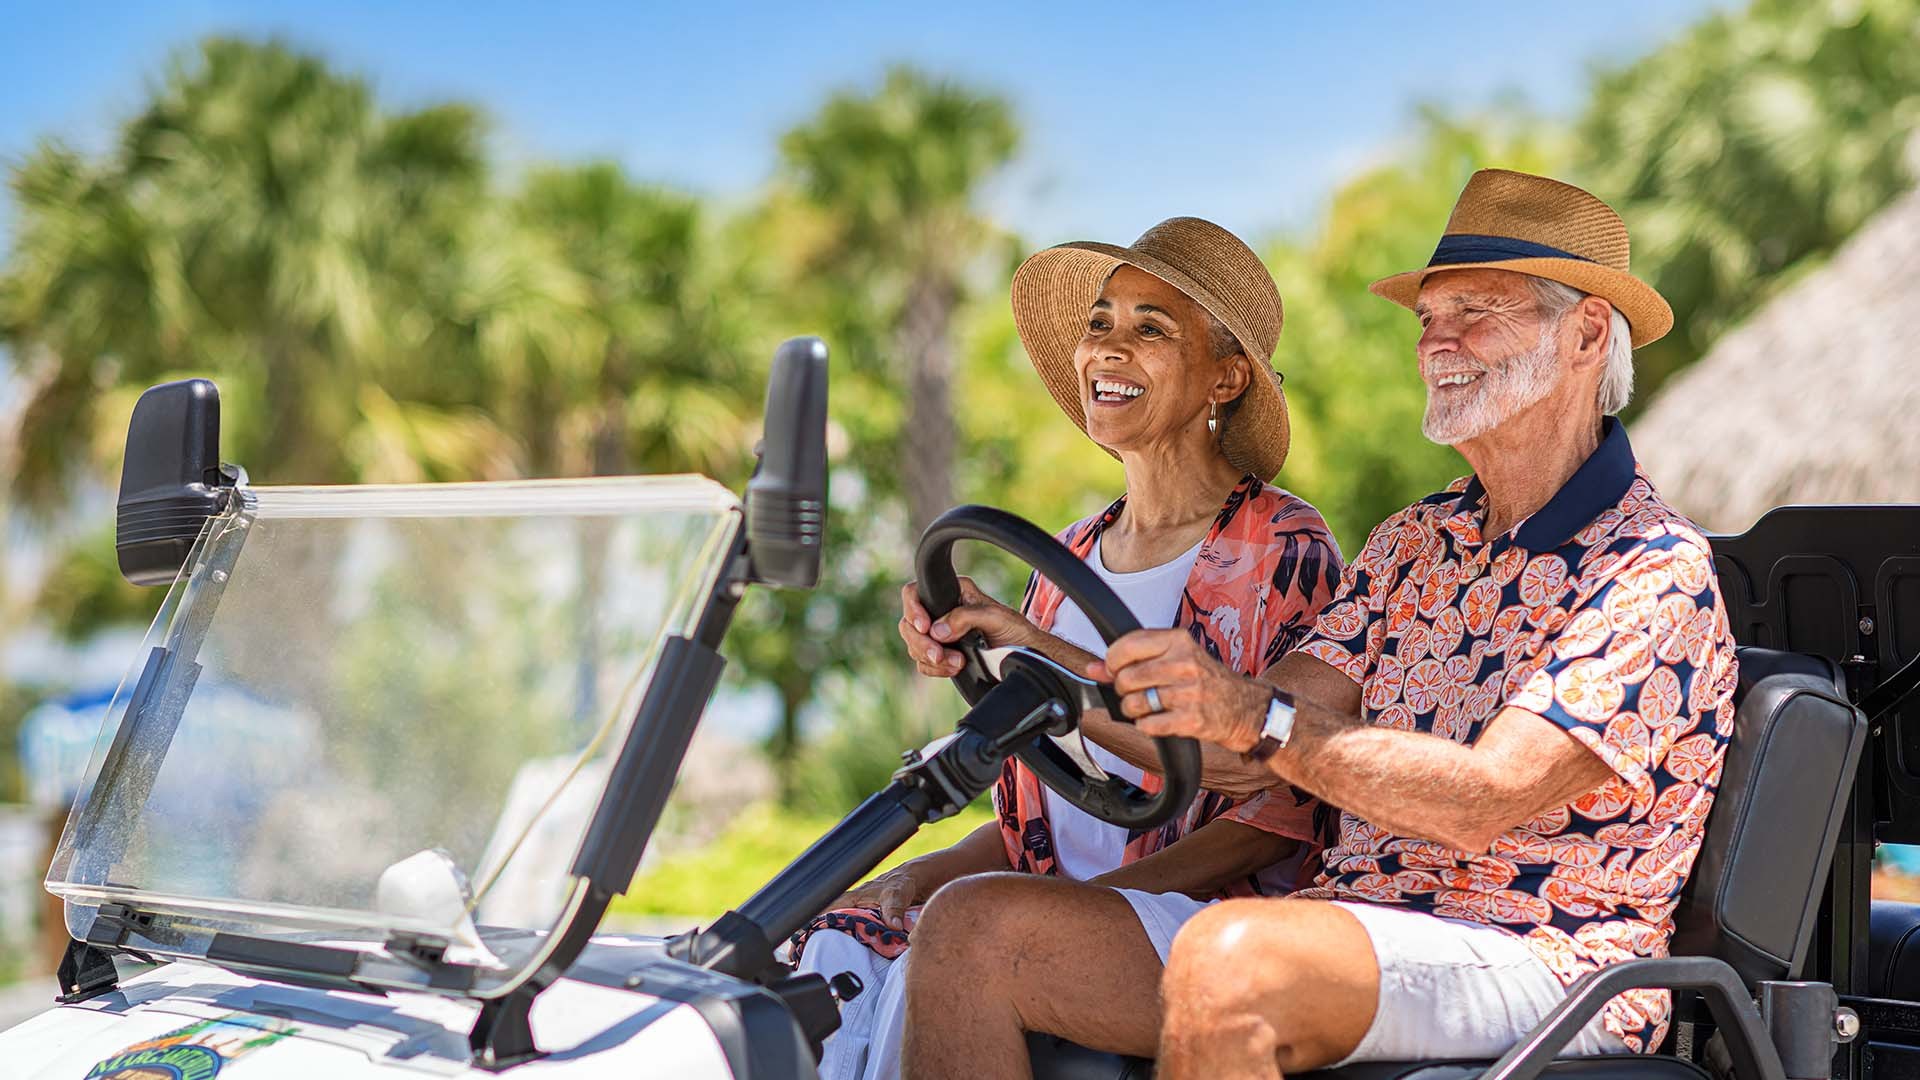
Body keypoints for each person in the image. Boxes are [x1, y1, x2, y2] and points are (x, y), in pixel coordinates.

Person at [899, 170, 1738, 1080]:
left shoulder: (1653, 571)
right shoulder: (1415, 541)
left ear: (1583, 334)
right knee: (973, 925)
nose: (1435, 343)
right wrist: (1025, 645)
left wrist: (1250, 717)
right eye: (1428, 319)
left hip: (1544, 953)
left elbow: (1482, 798)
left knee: (1235, 959)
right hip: (1355, 925)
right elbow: (1230, 751)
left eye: (1473, 313)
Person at [794, 217, 1344, 1080]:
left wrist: (1071, 910)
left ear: (1226, 378)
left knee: (967, 934)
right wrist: (921, 875)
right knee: (819, 942)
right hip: (1051, 908)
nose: (1108, 349)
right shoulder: (1065, 558)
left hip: (1203, 921)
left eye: (1150, 329)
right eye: (1099, 323)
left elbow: (1273, 815)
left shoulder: (1282, 546)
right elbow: (1055, 815)